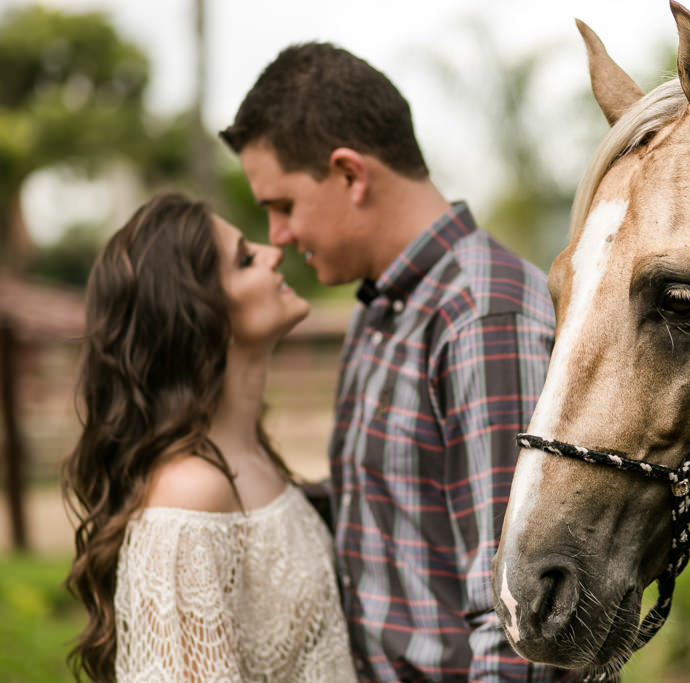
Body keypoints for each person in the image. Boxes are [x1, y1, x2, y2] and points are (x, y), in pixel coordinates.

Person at [220, 44, 571, 681]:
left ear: (350, 175)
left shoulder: (481, 316)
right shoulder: (382, 308)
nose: (277, 236)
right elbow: (391, 512)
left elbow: (515, 617)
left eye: (283, 205)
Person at [61, 193, 357, 682]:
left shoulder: (250, 455)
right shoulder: (190, 493)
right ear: (198, 314)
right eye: (245, 259)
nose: (273, 251)